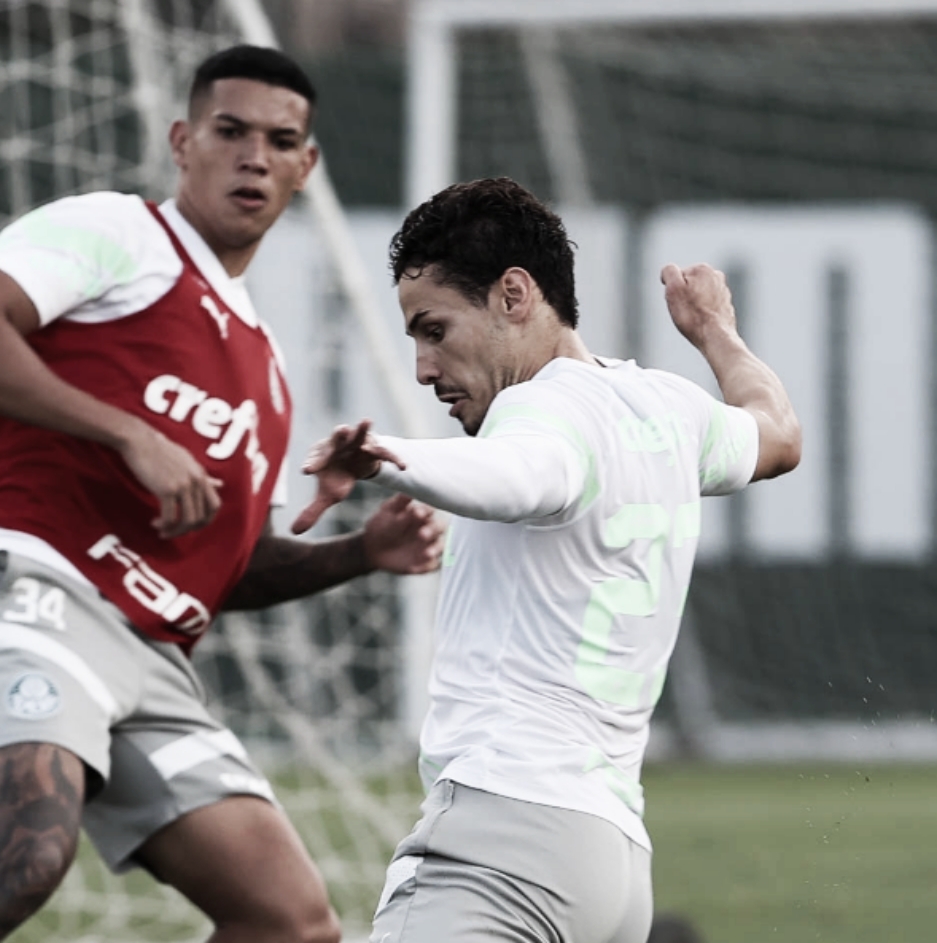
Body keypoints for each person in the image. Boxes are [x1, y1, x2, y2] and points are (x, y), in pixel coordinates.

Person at [0, 45, 444, 943]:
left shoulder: (266, 371)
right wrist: (128, 431)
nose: (252, 155)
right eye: (229, 131)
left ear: (306, 165)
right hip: (30, 587)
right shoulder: (120, 233)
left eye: (279, 139)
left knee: (288, 922)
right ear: (183, 141)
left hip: (147, 657)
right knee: (22, 858)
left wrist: (361, 553)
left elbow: (227, 567)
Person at [292, 177, 801, 943]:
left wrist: (384, 458)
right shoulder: (668, 407)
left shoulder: (537, 410)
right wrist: (713, 333)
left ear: (514, 294)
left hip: (502, 843)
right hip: (612, 865)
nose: (425, 367)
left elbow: (525, 478)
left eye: (434, 329)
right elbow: (778, 434)